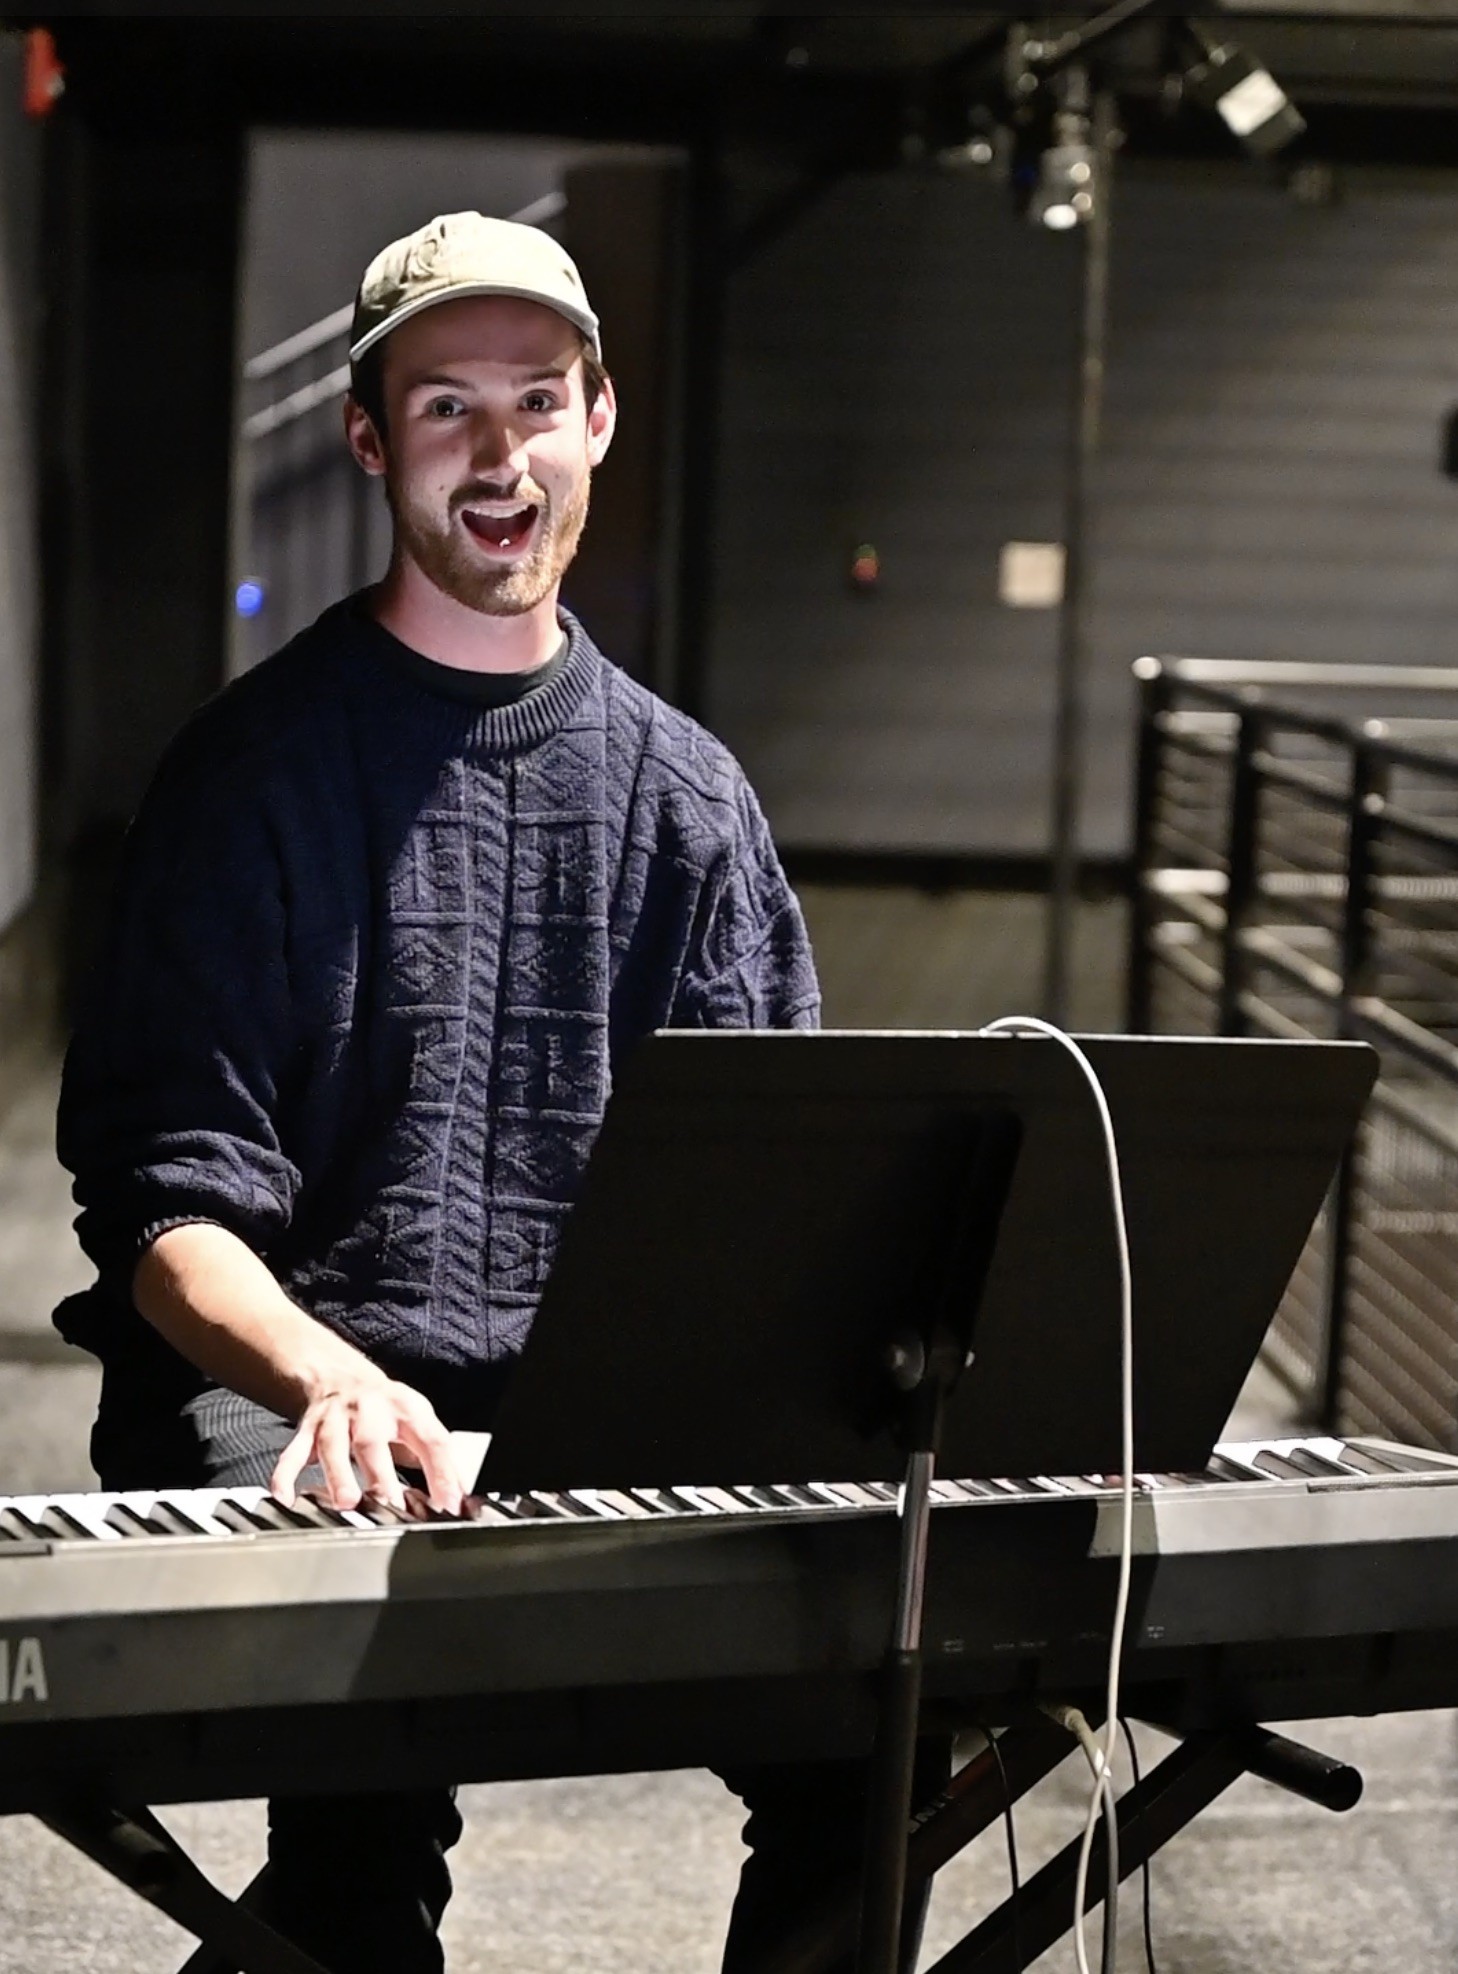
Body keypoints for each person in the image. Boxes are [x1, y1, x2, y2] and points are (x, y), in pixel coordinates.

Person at [55, 210, 941, 1973]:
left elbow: (771, 1206)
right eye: (445, 407)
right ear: (372, 441)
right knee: (370, 1802)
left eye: (534, 401)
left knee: (878, 1747)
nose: (497, 452)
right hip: (286, 1388)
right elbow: (168, 1210)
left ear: (597, 421)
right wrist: (334, 1376)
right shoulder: (248, 779)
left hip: (592, 1407)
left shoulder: (691, 799)